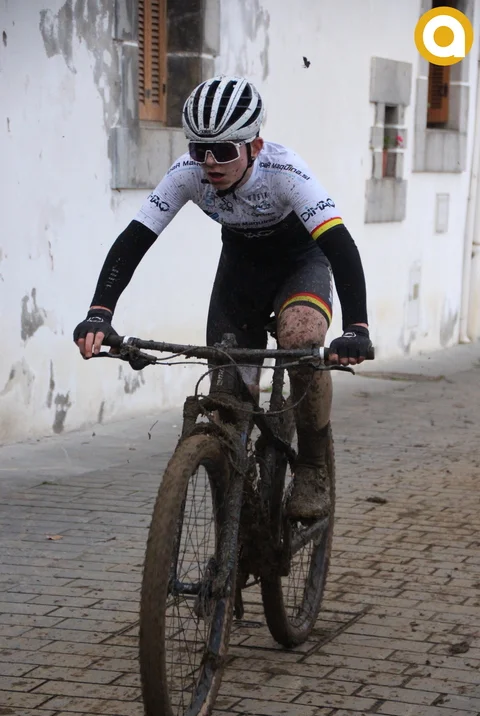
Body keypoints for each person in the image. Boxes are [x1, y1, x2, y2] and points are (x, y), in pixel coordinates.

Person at [74, 75, 372, 520]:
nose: (210, 162)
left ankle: (312, 463)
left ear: (255, 146)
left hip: (299, 265)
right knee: (228, 397)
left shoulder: (286, 173)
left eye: (225, 151)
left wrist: (356, 328)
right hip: (241, 274)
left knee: (301, 339)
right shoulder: (187, 174)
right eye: (200, 149)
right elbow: (134, 240)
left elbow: (340, 247)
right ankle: (235, 517)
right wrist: (99, 312)